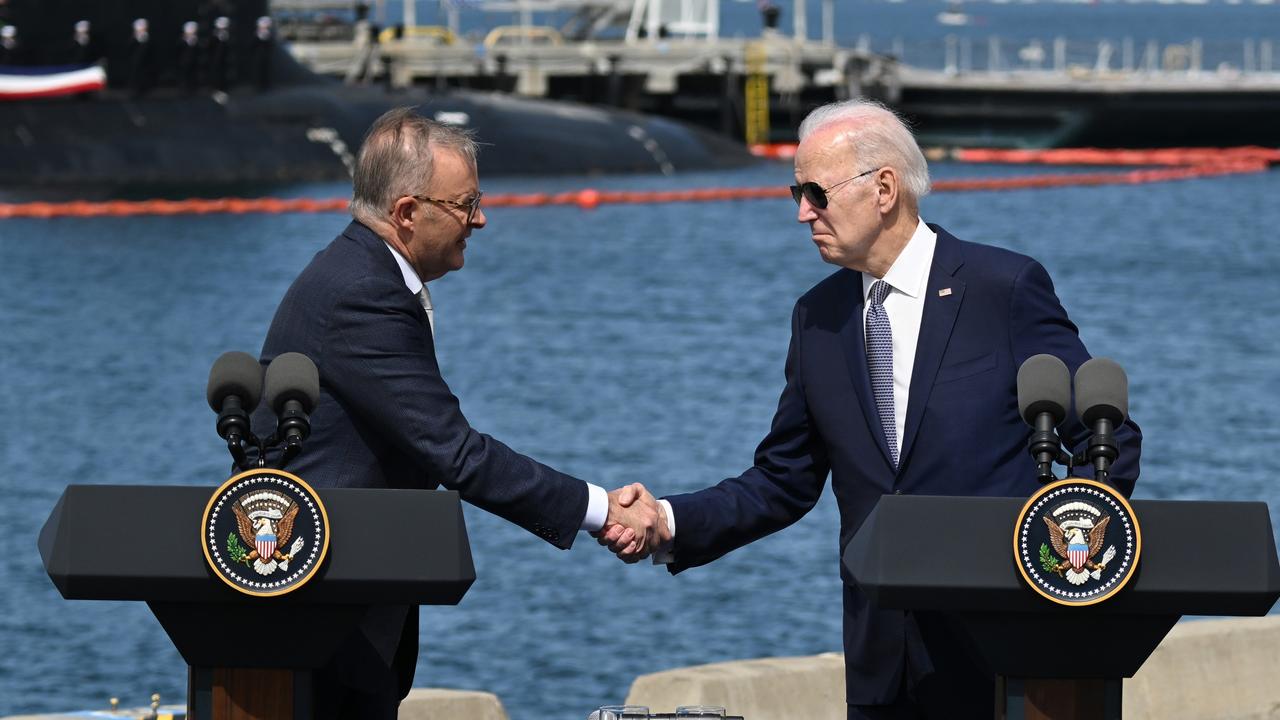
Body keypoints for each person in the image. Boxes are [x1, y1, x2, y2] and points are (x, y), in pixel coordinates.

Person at [600, 99, 1141, 719]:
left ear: (884, 187)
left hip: (1010, 655)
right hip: (884, 662)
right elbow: (784, 480)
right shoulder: (818, 318)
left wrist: (1071, 577)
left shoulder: (1004, 289)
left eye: (815, 192)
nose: (802, 212)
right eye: (795, 192)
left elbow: (1108, 442)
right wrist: (669, 521)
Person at [255, 107, 669, 719]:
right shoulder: (360, 292)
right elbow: (454, 451)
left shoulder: (360, 273)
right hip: (326, 611)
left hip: (345, 601)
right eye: (464, 204)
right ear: (405, 213)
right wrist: (603, 510)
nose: (480, 219)